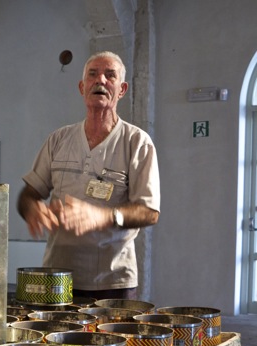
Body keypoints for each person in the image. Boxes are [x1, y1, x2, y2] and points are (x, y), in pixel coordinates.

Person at [17, 51, 160, 300]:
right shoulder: (58, 140)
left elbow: (149, 212)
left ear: (122, 89)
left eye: (110, 75)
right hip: (57, 278)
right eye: (92, 74)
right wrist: (31, 209)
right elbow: (28, 194)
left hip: (113, 281)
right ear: (82, 87)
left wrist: (103, 216)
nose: (100, 80)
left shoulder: (137, 142)